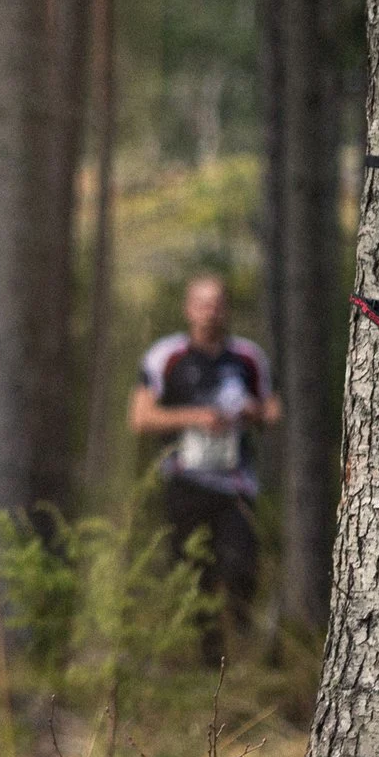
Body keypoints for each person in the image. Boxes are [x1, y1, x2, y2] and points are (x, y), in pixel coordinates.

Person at [129, 276, 282, 644]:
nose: (209, 312)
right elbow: (140, 418)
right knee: (192, 572)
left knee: (241, 566)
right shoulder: (166, 357)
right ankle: (205, 656)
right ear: (187, 309)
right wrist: (196, 418)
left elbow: (274, 409)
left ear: (226, 309)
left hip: (236, 483)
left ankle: (242, 646)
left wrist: (252, 413)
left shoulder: (248, 357)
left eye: (216, 303)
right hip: (184, 481)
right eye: (202, 303)